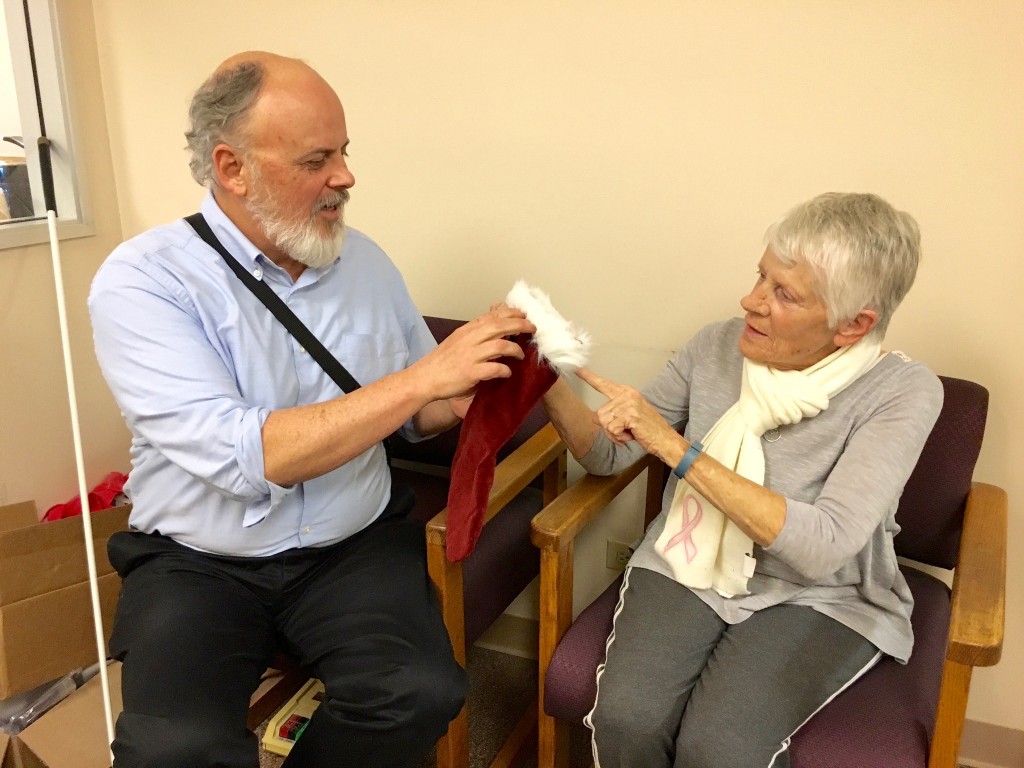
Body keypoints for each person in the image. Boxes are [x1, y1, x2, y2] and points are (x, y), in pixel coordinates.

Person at [88, 51, 535, 768]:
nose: (346, 177)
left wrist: (462, 388)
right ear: (232, 168)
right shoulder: (144, 282)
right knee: (174, 749)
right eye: (317, 159)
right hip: (200, 560)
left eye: (345, 153)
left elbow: (418, 414)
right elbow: (250, 456)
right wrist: (421, 382)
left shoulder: (363, 264)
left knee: (419, 691)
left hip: (349, 546)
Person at [542, 192, 942, 768]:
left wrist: (675, 447)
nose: (750, 301)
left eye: (783, 293)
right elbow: (608, 456)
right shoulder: (716, 346)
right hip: (688, 560)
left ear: (854, 325)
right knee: (626, 719)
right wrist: (542, 377)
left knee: (719, 749)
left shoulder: (902, 392)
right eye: (762, 275)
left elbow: (821, 546)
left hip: (821, 594)